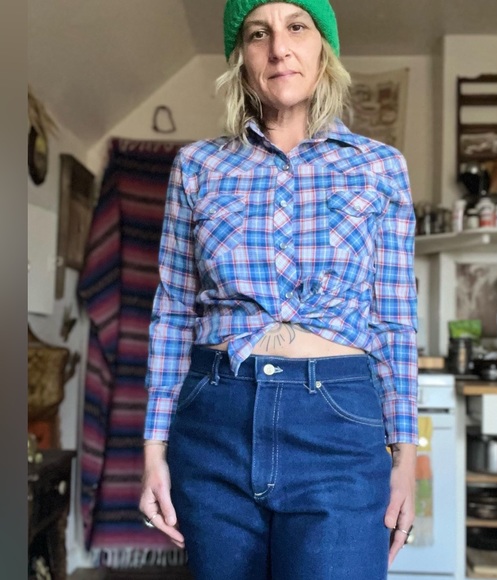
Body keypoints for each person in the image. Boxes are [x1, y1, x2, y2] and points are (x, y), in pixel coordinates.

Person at [139, 1, 418, 578]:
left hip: (339, 428)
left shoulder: (380, 167)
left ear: (324, 49)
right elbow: (173, 313)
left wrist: (406, 458)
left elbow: (394, 319)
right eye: (257, 33)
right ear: (241, 57)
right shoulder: (197, 166)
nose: (279, 47)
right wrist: (153, 451)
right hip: (215, 420)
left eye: (297, 27)